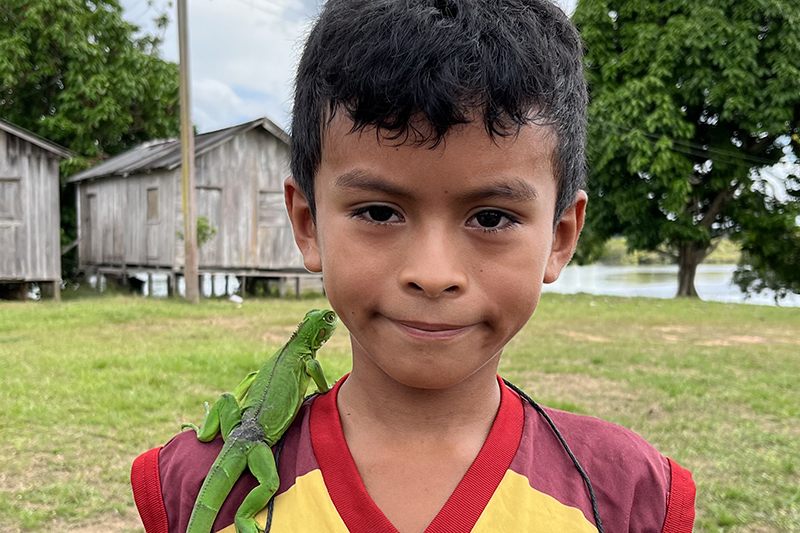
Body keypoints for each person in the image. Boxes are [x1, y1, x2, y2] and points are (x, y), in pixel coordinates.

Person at [131, 0, 696, 531]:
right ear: (308, 224)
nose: (432, 273)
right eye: (379, 212)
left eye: (492, 218)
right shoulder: (189, 480)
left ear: (560, 237)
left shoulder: (627, 492)